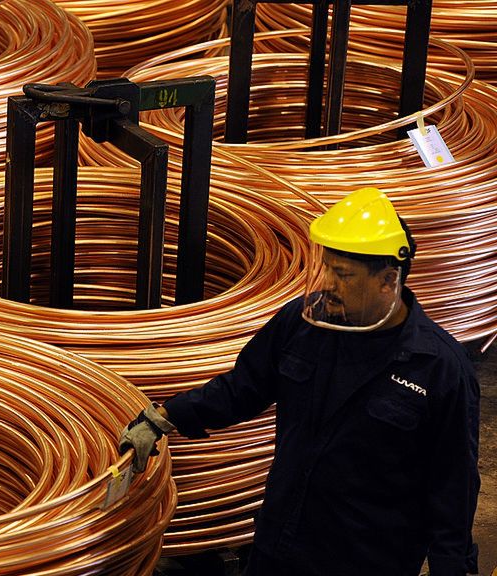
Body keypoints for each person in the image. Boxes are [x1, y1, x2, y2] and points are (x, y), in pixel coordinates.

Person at [120, 187, 480, 576]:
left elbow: (452, 489)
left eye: (342, 275)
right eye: (326, 269)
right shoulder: (303, 324)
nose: (326, 284)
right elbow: (243, 388)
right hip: (280, 544)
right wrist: (166, 415)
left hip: (366, 561)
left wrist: (452, 568)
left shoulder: (439, 369)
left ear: (388, 281)